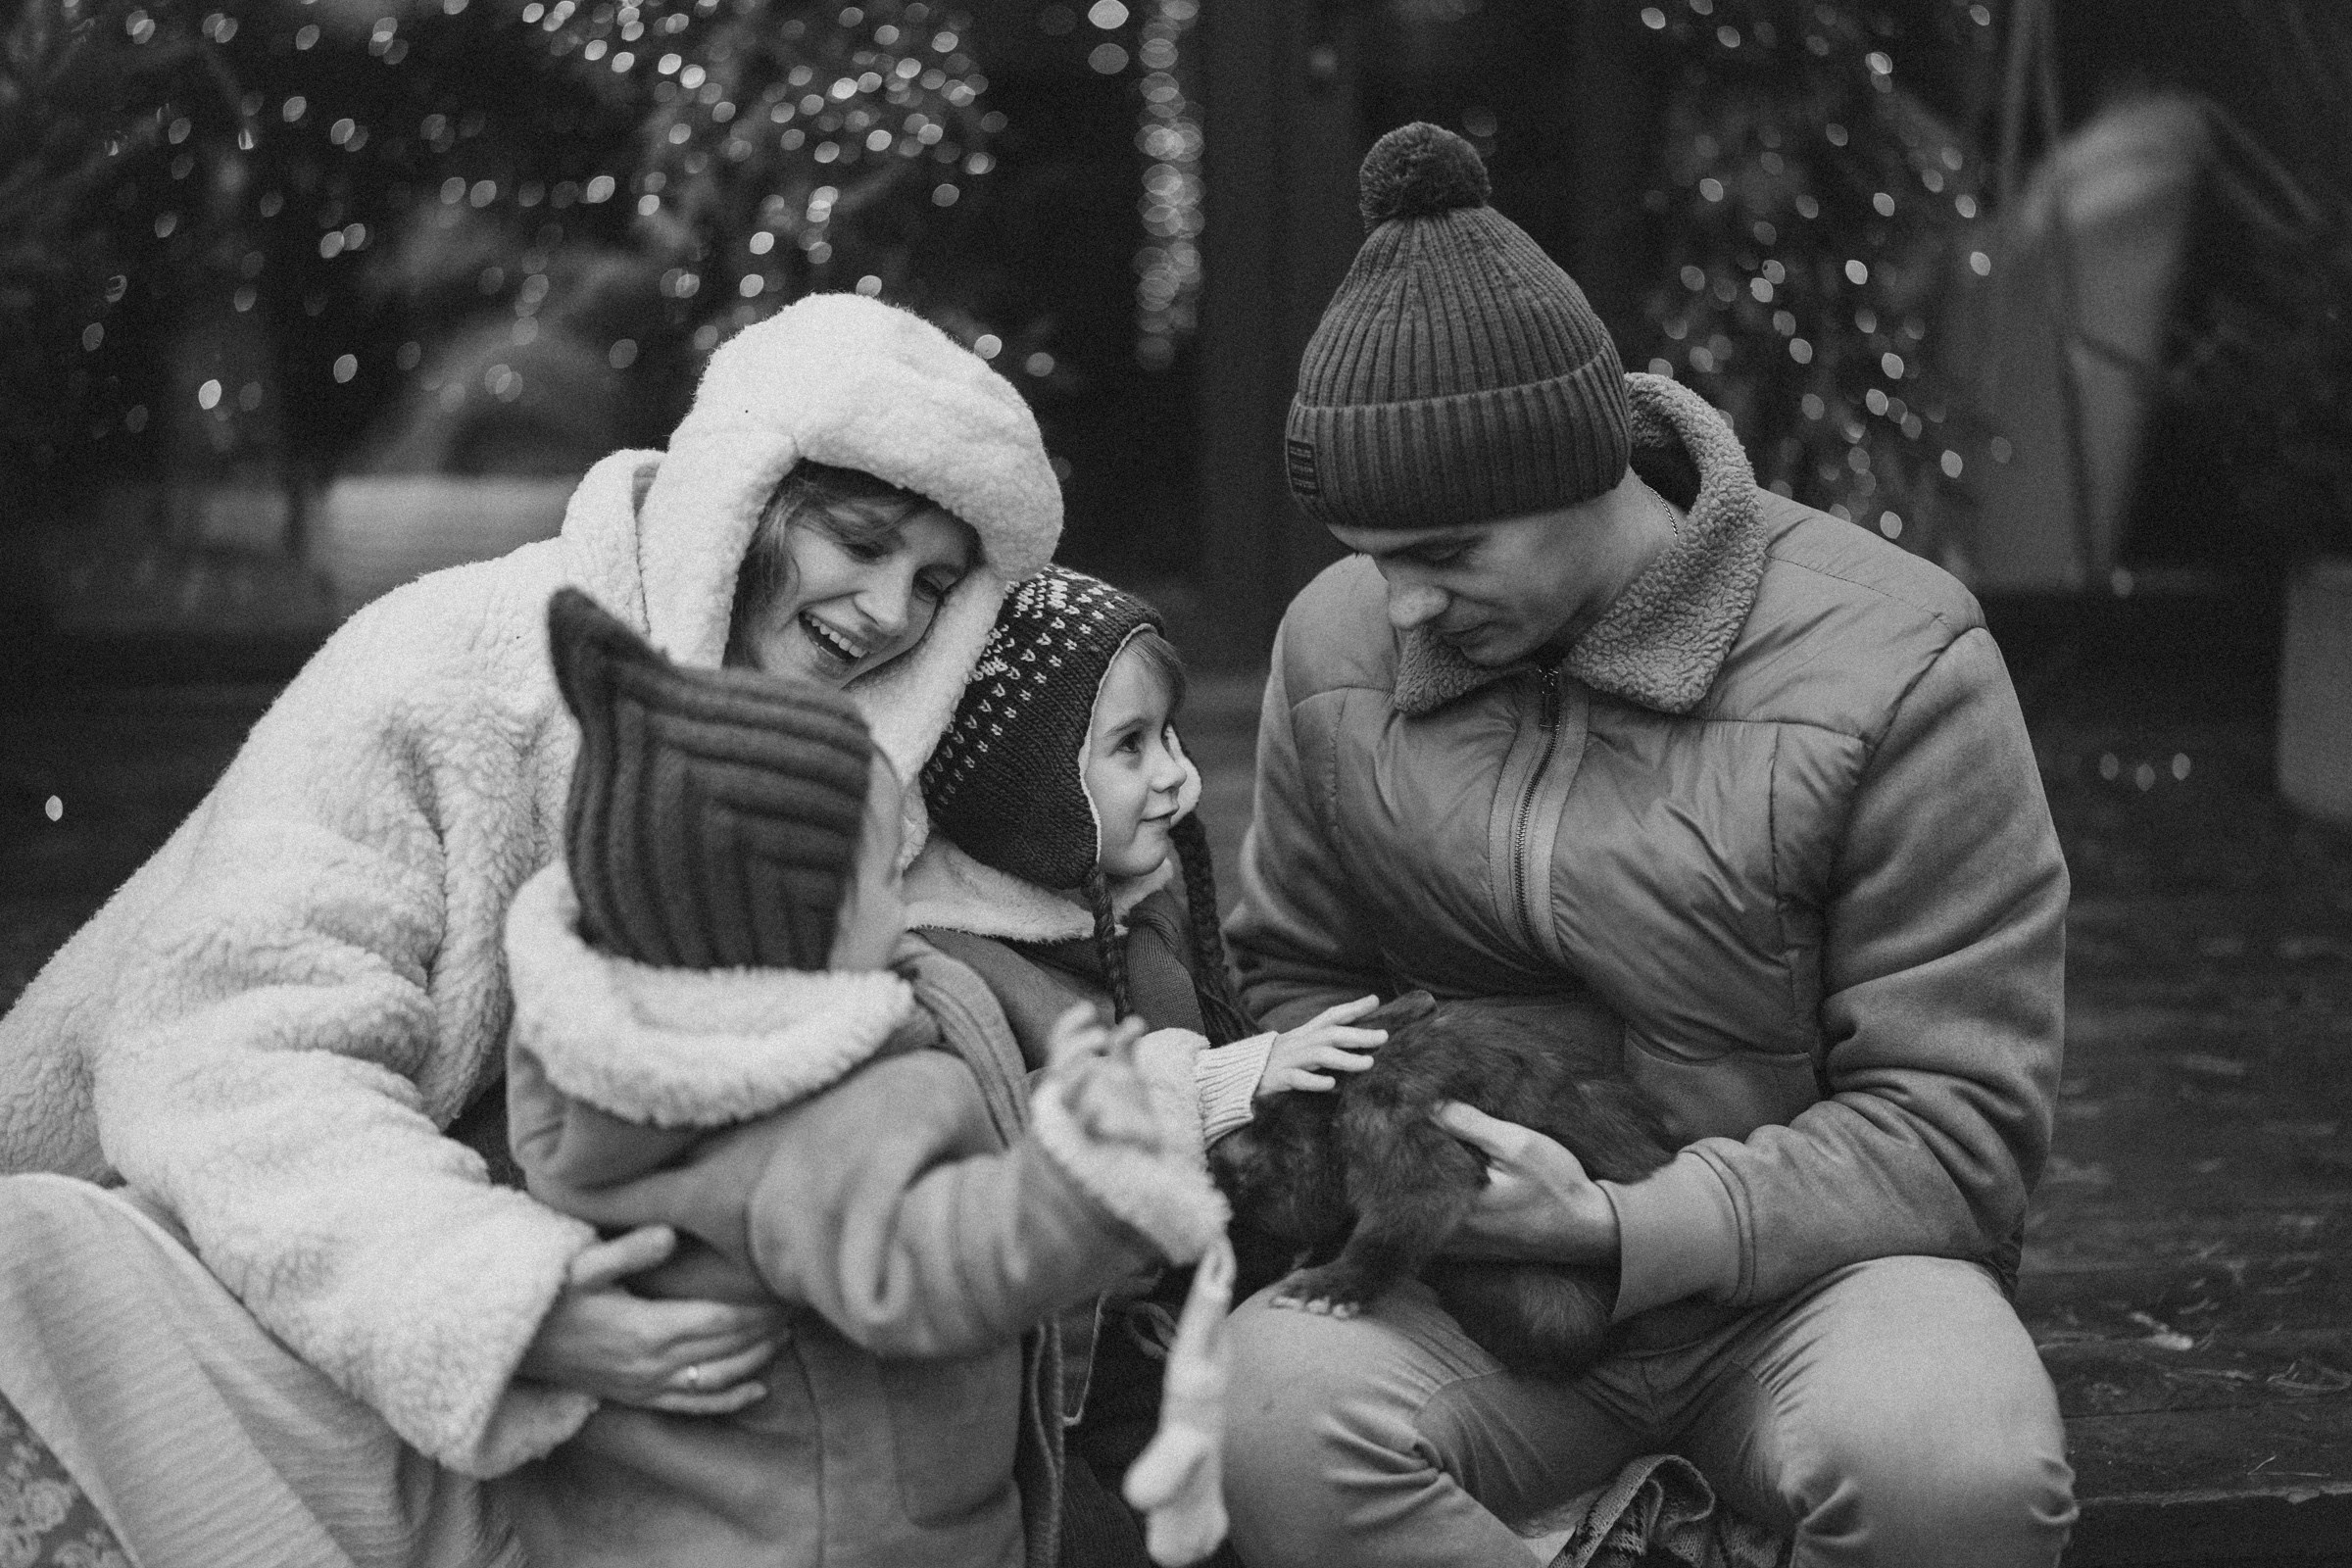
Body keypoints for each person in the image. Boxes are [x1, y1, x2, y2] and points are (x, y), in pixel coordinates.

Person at [0, 291, 1061, 1566]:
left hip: (659, 1445)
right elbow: (233, 1056)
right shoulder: (450, 665)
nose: (891, 612)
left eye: (938, 583)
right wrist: (507, 1306)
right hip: (295, 1300)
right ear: (750, 492)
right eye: (860, 541)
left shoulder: (875, 766)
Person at [1218, 122, 2078, 1567]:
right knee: (1262, 1422)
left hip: (1820, 1275)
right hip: (1479, 1280)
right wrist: (1422, 1167)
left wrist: (1622, 1229)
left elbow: (1956, 1116)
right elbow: (1296, 982)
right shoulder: (1337, 643)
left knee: (1957, 1476)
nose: (1402, 609)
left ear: (1584, 470)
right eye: (1372, 557)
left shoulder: (1895, 656)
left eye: (1443, 555)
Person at [494, 586, 1225, 1568]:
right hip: (869, 1536)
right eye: (884, 879)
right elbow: (936, 1265)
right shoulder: (822, 1120)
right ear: (790, 932)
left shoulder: (600, 1075)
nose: (906, 901)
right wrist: (1081, 1183)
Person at [905, 565, 1390, 1566]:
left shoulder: (1144, 907)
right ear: (1023, 783)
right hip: (1049, 1404)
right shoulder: (953, 970)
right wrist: (1219, 1084)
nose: (1182, 777)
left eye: (1172, 736)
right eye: (1131, 746)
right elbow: (1014, 1177)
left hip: (1171, 1342)